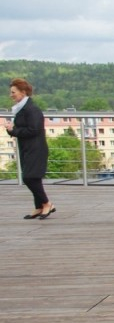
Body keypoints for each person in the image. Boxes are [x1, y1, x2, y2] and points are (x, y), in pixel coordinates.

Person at [7, 78, 54, 219]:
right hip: (28, 148)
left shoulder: (32, 109)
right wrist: (12, 130)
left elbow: (33, 130)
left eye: (13, 92)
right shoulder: (23, 109)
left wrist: (14, 131)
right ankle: (39, 207)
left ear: (23, 92)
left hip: (36, 148)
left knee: (29, 177)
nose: (11, 95)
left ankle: (46, 203)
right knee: (33, 177)